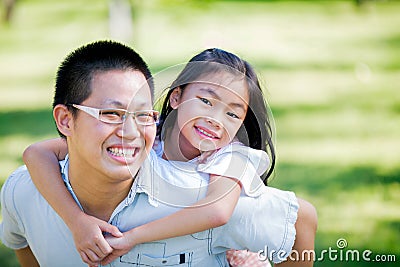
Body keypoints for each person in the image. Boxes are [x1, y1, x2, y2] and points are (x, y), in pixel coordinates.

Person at [0, 40, 316, 266]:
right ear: (176, 97)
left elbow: (220, 213)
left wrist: (134, 237)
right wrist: (76, 220)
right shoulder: (150, 130)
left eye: (233, 114)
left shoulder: (230, 160)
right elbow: (36, 152)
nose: (215, 120)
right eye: (206, 101)